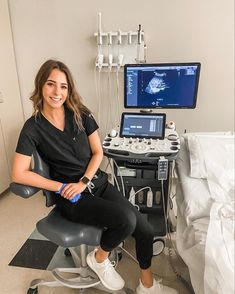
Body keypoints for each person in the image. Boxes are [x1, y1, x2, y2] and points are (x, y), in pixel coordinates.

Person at [12, 59, 178, 294]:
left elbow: (98, 152)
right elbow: (18, 173)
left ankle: (146, 285)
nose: (57, 92)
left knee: (145, 229)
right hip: (70, 196)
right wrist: (61, 186)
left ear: (69, 89)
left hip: (94, 183)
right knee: (125, 220)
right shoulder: (32, 127)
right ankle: (99, 259)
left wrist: (85, 181)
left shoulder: (80, 114)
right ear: (41, 85)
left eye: (63, 86)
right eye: (51, 84)